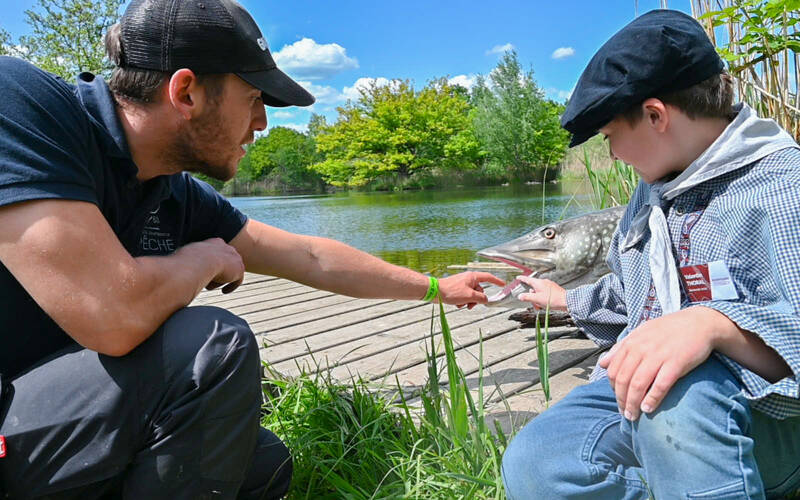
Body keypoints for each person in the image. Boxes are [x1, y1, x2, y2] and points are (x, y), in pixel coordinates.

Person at [0, 0, 504, 498]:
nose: (261, 122)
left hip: (42, 410)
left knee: (259, 465)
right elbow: (111, 316)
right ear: (186, 91)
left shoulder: (168, 189)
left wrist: (437, 286)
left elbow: (308, 255)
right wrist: (200, 260)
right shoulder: (21, 103)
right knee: (213, 345)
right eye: (253, 98)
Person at [501, 9, 800, 500]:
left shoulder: (780, 191)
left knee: (679, 397)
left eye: (610, 137)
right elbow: (636, 296)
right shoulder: (652, 193)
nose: (613, 155)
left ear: (656, 116)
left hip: (761, 413)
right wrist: (563, 300)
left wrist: (714, 326)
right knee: (539, 460)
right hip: (651, 402)